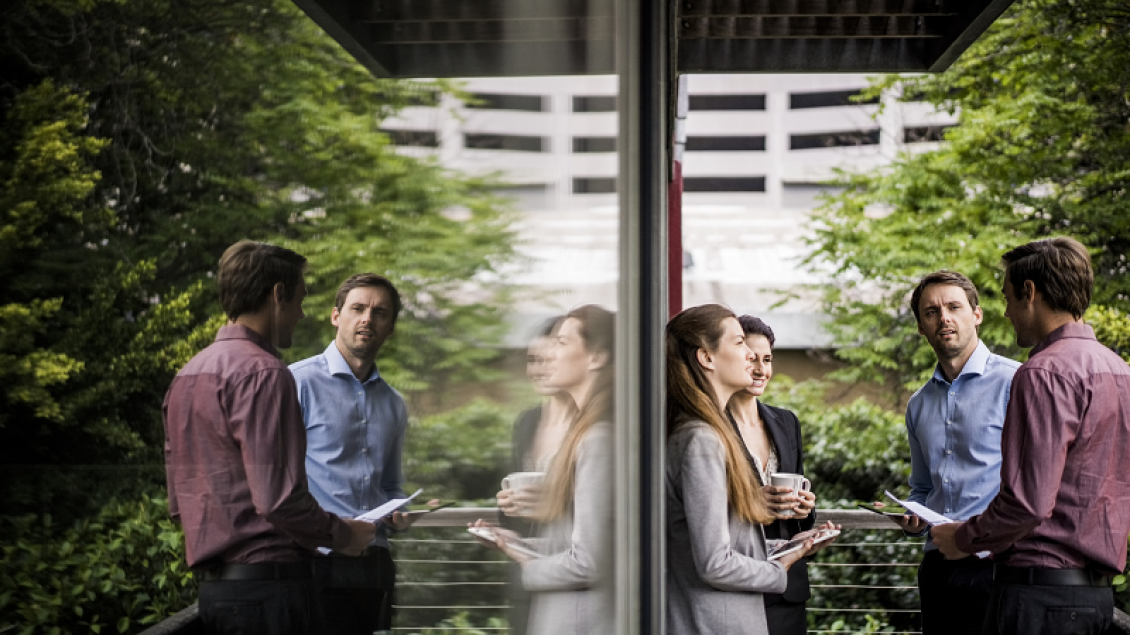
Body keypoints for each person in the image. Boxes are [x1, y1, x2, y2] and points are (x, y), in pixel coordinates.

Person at [164, 240, 375, 635]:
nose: (301, 313)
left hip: (216, 597)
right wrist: (345, 535)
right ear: (278, 294)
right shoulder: (266, 372)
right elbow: (278, 500)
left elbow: (179, 503)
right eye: (299, 299)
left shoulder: (187, 376)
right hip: (271, 595)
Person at [932, 237, 1130, 635]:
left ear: (1030, 293)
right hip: (1097, 602)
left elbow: (1028, 503)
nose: (1005, 312)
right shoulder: (1119, 370)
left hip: (1038, 600)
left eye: (1007, 298)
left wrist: (962, 538)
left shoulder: (1041, 372)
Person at [665, 304, 837, 635]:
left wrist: (794, 545)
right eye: (740, 343)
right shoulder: (702, 437)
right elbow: (715, 563)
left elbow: (712, 540)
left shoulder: (701, 430)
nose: (753, 358)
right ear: (707, 357)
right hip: (716, 619)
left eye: (764, 356)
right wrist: (780, 567)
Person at [886, 271, 1020, 635]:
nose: (943, 317)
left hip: (997, 562)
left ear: (976, 314)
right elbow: (922, 486)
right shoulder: (917, 405)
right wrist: (914, 517)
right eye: (931, 312)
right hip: (938, 566)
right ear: (921, 327)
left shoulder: (1017, 383)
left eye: (953, 307)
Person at [474, 305, 616, 635]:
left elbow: (589, 561)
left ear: (596, 357)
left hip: (580, 616)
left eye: (561, 343)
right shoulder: (581, 431)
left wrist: (528, 565)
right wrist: (518, 546)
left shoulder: (598, 438)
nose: (548, 354)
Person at [290, 272, 415, 635]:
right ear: (336, 316)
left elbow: (391, 484)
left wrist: (401, 511)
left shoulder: (393, 403)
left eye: (380, 313)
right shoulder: (297, 383)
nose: (367, 319)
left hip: (374, 563)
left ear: (390, 327)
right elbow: (279, 479)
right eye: (358, 308)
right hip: (317, 558)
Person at [726, 315, 818, 635]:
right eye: (751, 359)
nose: (761, 369)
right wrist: (751, 501)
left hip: (787, 590)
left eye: (767, 360)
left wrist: (806, 507)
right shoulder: (710, 428)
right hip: (737, 583)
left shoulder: (787, 422)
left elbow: (803, 514)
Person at [497, 316, 574, 635]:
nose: (540, 368)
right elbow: (512, 514)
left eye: (548, 359)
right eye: (533, 360)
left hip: (573, 569)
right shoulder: (526, 421)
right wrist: (506, 507)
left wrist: (554, 504)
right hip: (527, 570)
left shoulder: (590, 425)